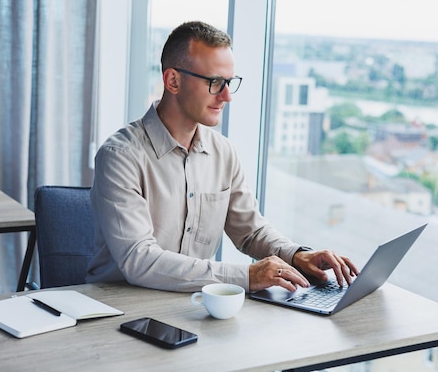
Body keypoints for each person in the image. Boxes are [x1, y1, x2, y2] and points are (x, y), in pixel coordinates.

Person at [87, 21, 358, 293]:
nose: (227, 96)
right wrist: (248, 276)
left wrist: (296, 255)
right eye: (215, 82)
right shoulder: (120, 157)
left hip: (190, 305)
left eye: (229, 82)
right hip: (120, 310)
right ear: (173, 81)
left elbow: (250, 231)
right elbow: (139, 260)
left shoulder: (223, 152)